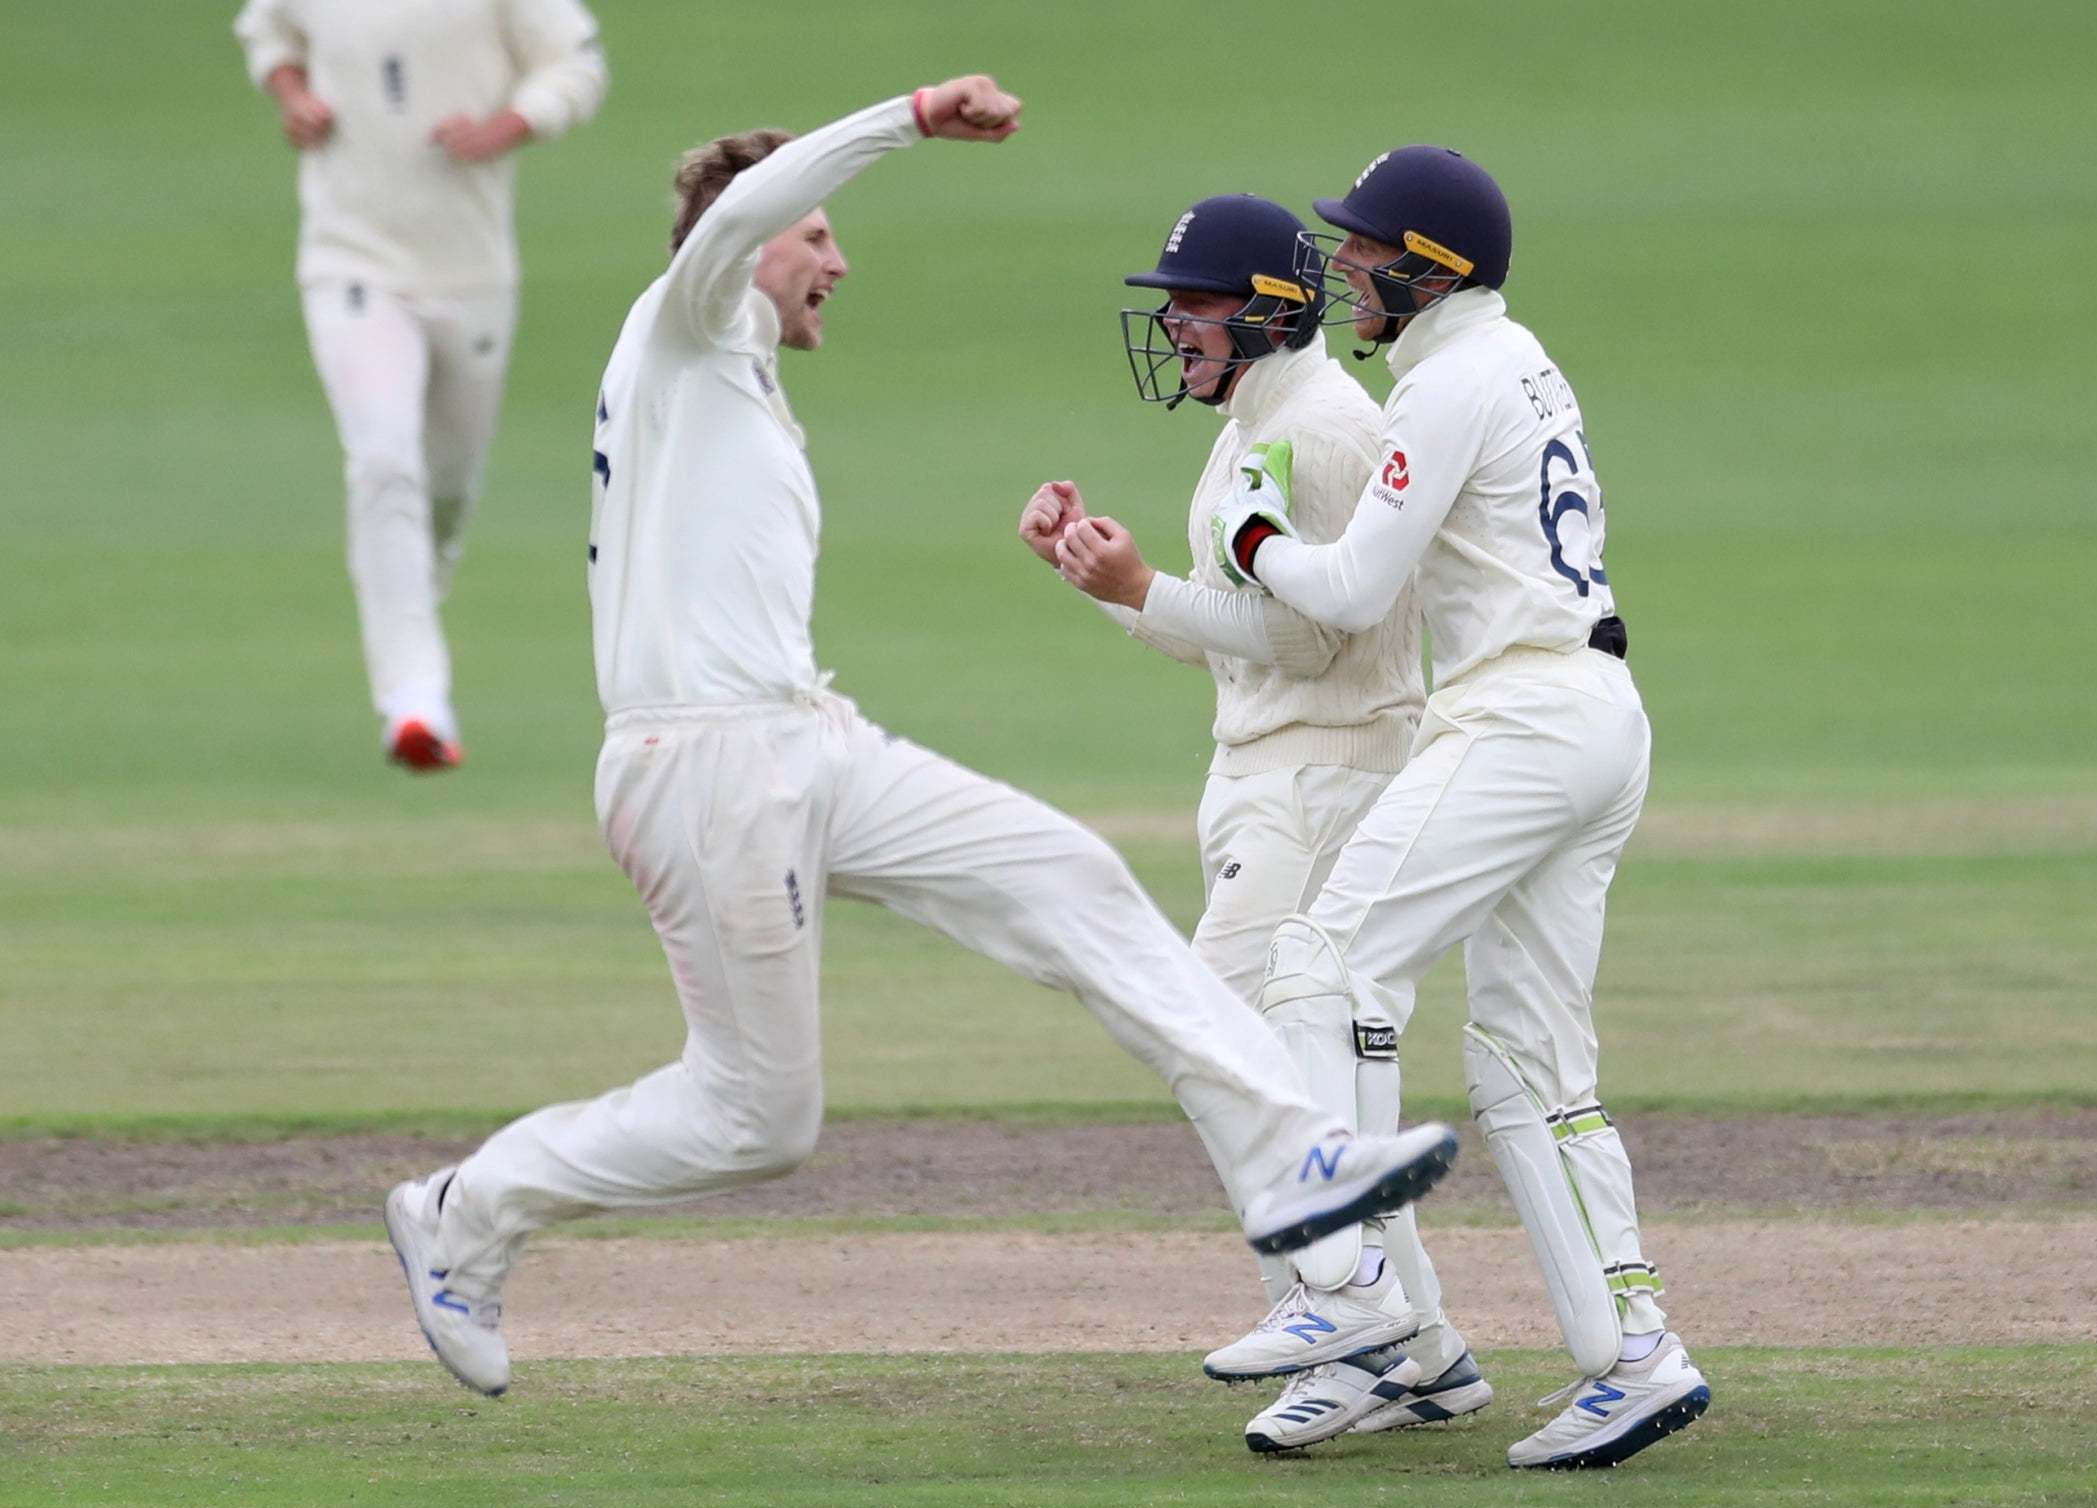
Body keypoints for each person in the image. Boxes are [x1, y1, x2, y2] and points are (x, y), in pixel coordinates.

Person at [381, 79, 1458, 1399]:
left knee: (1072, 876)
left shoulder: (730, 371)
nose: (836, 258)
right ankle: (465, 1212)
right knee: (757, 1118)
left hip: (803, 739)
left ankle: (1295, 1161)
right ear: (740, 238)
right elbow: (752, 206)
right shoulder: (684, 319)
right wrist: (912, 116)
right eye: (815, 235)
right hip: (704, 769)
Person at [1204, 144, 1710, 1469]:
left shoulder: (1446, 380)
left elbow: (1355, 589)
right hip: (1599, 716)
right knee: (1527, 1062)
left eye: (1367, 249)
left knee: (1323, 964)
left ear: (1431, 271)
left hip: (1520, 716)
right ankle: (1635, 1353)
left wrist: (1257, 543)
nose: (1346, 268)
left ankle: (1350, 1285)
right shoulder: (1520, 358)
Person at [1020, 194, 1487, 1454]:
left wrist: (1144, 585)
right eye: (1171, 305)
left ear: (1273, 311)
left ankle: (1352, 1319)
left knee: (1226, 1042)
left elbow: (1318, 639)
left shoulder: (1324, 430)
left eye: (1197, 304)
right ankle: (1419, 1352)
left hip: (1330, 775)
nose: (1175, 325)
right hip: (1272, 773)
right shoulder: (1256, 424)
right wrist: (1101, 583)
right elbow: (1233, 649)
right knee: (1279, 1072)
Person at [234, 0, 608, 769]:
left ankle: (410, 597)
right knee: (382, 463)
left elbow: (577, 66)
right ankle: (415, 702)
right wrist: (293, 95)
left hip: (470, 273)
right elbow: (267, 31)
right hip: (350, 258)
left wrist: (506, 126)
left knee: (444, 486)